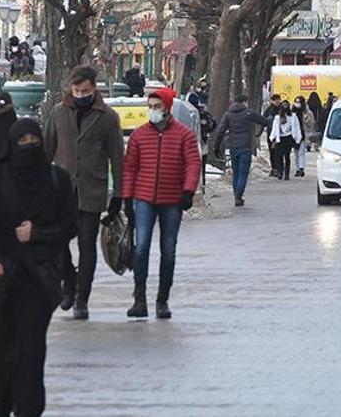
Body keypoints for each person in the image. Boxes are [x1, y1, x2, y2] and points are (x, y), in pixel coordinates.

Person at [0, 119, 77, 417]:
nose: (30, 144)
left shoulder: (56, 179)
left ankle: (29, 409)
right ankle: (6, 401)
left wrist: (38, 233)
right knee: (2, 350)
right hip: (4, 278)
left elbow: (70, 226)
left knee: (30, 351)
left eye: (35, 139)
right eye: (23, 140)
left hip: (42, 277)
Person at [43, 65, 124, 319]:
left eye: (85, 90)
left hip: (92, 189)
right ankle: (69, 281)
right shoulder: (58, 113)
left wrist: (119, 195)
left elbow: (117, 158)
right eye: (76, 91)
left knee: (86, 245)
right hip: (62, 191)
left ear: (94, 87)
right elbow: (46, 151)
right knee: (56, 242)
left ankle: (81, 299)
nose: (80, 95)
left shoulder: (108, 117)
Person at [122, 87, 201, 319]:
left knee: (168, 250)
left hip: (172, 199)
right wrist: (127, 197)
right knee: (141, 247)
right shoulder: (139, 135)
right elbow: (130, 168)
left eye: (157, 106)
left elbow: (193, 164)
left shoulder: (184, 135)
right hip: (144, 197)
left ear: (167, 108)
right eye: (150, 107)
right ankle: (139, 299)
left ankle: (162, 299)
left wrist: (188, 191)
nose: (153, 111)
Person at [213, 94, 270, 206]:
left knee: (236, 172)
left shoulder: (228, 115)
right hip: (245, 147)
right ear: (244, 102)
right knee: (243, 172)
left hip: (233, 146)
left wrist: (216, 146)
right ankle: (239, 194)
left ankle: (236, 195)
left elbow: (220, 131)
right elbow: (264, 121)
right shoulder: (248, 113)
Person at [269, 99, 303, 181]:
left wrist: (298, 138)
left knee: (287, 155)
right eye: (283, 105)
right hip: (280, 138)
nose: (285, 107)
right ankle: (280, 172)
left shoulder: (293, 117)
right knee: (279, 156)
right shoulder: (277, 118)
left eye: (286, 105)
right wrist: (272, 137)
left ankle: (287, 173)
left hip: (289, 138)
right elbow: (275, 128)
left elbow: (297, 127)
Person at [292, 96, 315, 177]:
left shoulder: (307, 112)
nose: (297, 104)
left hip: (303, 134)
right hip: (294, 135)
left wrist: (306, 119)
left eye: (298, 102)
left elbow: (311, 124)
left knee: (301, 152)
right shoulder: (292, 113)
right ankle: (297, 168)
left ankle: (301, 168)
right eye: (296, 102)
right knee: (296, 153)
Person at [262, 94, 283, 177]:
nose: (277, 101)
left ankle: (279, 168)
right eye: (275, 100)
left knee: (280, 152)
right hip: (271, 134)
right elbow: (264, 119)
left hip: (281, 134)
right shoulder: (269, 110)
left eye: (278, 99)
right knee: (272, 151)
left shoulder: (283, 109)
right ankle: (274, 168)